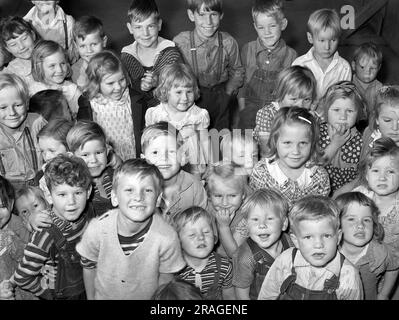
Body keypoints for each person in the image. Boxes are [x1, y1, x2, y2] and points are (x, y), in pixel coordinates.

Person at [76, 159, 186, 300]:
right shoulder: (97, 229)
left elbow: (166, 279)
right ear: (115, 197)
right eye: (129, 190)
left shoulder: (167, 237)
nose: (138, 197)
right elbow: (89, 267)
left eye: (147, 190)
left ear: (158, 199)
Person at [11, 154, 93, 300]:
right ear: (49, 196)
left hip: (89, 287)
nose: (71, 202)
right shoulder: (45, 233)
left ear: (88, 192)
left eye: (78, 192)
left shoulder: (88, 214)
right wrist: (47, 293)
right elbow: (22, 277)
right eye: (62, 194)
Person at [258, 195, 363, 300]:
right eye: (308, 237)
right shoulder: (286, 261)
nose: (318, 245)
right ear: (296, 241)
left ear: (338, 237)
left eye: (326, 236)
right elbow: (267, 294)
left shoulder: (348, 274)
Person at [173, 0, 244, 130]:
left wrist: (228, 92)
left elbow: (237, 70)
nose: (208, 22)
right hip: (191, 100)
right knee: (194, 142)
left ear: (221, 15)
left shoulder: (229, 42)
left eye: (213, 14)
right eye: (202, 15)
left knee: (219, 141)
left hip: (220, 99)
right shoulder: (180, 42)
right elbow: (174, 75)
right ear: (191, 15)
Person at [250, 107, 330, 205]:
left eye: (303, 143)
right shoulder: (261, 172)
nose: (296, 151)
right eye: (287, 143)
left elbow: (320, 213)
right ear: (275, 141)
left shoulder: (319, 177)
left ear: (312, 143)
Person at [237, 0, 297, 130]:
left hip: (275, 117)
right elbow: (241, 85)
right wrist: (243, 110)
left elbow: (290, 92)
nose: (267, 32)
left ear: (283, 24)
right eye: (261, 27)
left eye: (272, 26)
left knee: (270, 148)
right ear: (255, 27)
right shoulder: (247, 49)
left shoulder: (291, 55)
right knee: (244, 148)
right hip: (248, 115)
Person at [77, 50, 145, 159]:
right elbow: (83, 136)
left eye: (121, 80)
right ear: (96, 83)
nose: (118, 87)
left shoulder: (134, 99)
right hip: (106, 161)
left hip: (133, 158)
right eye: (110, 83)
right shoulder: (89, 104)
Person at [146, 63, 210, 175]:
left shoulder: (198, 115)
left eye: (189, 92)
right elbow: (149, 142)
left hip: (193, 164)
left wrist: (212, 164)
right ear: (165, 91)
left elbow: (205, 141)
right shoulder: (156, 114)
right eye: (179, 92)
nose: (185, 98)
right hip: (166, 163)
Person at [121, 0, 183, 112]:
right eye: (138, 27)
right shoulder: (127, 56)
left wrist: (158, 81)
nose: (145, 33)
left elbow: (182, 85)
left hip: (168, 113)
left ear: (159, 25)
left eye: (150, 26)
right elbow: (122, 90)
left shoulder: (170, 53)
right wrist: (140, 84)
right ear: (130, 28)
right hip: (137, 114)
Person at [336, 192, 399, 300]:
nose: (360, 225)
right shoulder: (329, 250)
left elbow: (394, 265)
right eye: (351, 219)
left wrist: (384, 294)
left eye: (366, 220)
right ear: (336, 223)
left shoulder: (380, 252)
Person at [141, 122, 207, 223]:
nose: (164, 158)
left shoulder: (194, 186)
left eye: (171, 151)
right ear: (144, 159)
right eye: (155, 152)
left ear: (183, 157)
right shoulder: (139, 188)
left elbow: (205, 221)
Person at [232, 189, 292, 300]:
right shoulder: (245, 258)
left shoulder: (290, 243)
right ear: (246, 225)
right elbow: (242, 295)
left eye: (269, 219)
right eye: (255, 219)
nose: (262, 225)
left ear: (284, 223)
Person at [253, 65, 317, 158]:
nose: (300, 106)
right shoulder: (268, 114)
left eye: (307, 99)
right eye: (294, 99)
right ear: (280, 94)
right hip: (271, 160)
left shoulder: (309, 116)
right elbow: (266, 151)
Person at [174, 206, 236, 300]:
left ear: (214, 237)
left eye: (206, 232)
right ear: (178, 241)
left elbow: (230, 297)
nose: (201, 237)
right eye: (192, 235)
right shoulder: (174, 270)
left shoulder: (225, 267)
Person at [0, 73, 47, 191]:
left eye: (18, 105)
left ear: (27, 103)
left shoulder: (37, 123)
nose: (12, 113)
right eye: (3, 107)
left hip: (42, 187)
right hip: (11, 195)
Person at [292, 8, 351, 100]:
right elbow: (293, 97)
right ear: (310, 37)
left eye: (333, 40)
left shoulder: (344, 68)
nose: (327, 47)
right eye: (322, 40)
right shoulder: (299, 64)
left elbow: (344, 99)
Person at [353, 137, 399, 251]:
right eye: (375, 171)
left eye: (390, 171)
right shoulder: (359, 195)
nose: (382, 178)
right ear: (366, 175)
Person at [318, 81, 365, 193]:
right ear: (326, 111)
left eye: (349, 111)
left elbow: (361, 178)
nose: (343, 117)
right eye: (336, 110)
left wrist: (338, 196)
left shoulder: (361, 141)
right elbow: (313, 168)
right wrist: (334, 145)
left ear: (358, 113)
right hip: (318, 191)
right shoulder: (317, 133)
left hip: (347, 194)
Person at [67, 120, 116, 217]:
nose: (93, 160)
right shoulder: (73, 187)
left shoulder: (118, 176)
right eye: (85, 155)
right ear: (72, 157)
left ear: (107, 151)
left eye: (99, 152)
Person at [0, 176, 36, 300]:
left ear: (11, 204)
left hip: (23, 286)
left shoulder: (18, 225)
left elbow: (32, 254)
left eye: (2, 206)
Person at [205, 162, 251, 258]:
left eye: (232, 195)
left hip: (234, 265)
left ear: (243, 194)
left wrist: (223, 227)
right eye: (218, 196)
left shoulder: (247, 216)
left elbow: (234, 254)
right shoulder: (207, 206)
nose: (224, 203)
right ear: (209, 195)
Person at [30, 40, 81, 118]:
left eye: (62, 63)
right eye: (52, 66)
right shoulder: (33, 91)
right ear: (39, 67)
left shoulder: (73, 90)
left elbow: (83, 117)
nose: (59, 70)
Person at [37, 118, 74, 203]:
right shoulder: (44, 178)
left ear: (69, 148)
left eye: (52, 151)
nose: (47, 157)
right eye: (42, 151)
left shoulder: (82, 169)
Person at [0, 16, 41, 85]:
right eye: (13, 44)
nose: (21, 47)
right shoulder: (10, 73)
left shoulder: (52, 55)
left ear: (33, 35)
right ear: (7, 48)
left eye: (24, 38)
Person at [351, 42, 383, 128]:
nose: (367, 72)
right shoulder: (349, 83)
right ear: (354, 66)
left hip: (371, 125)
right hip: (352, 123)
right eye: (362, 67)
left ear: (379, 68)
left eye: (372, 68)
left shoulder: (380, 88)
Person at [71, 15, 108, 90]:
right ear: (76, 46)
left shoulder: (113, 62)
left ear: (104, 41)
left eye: (94, 44)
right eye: (82, 46)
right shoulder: (75, 71)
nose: (89, 51)